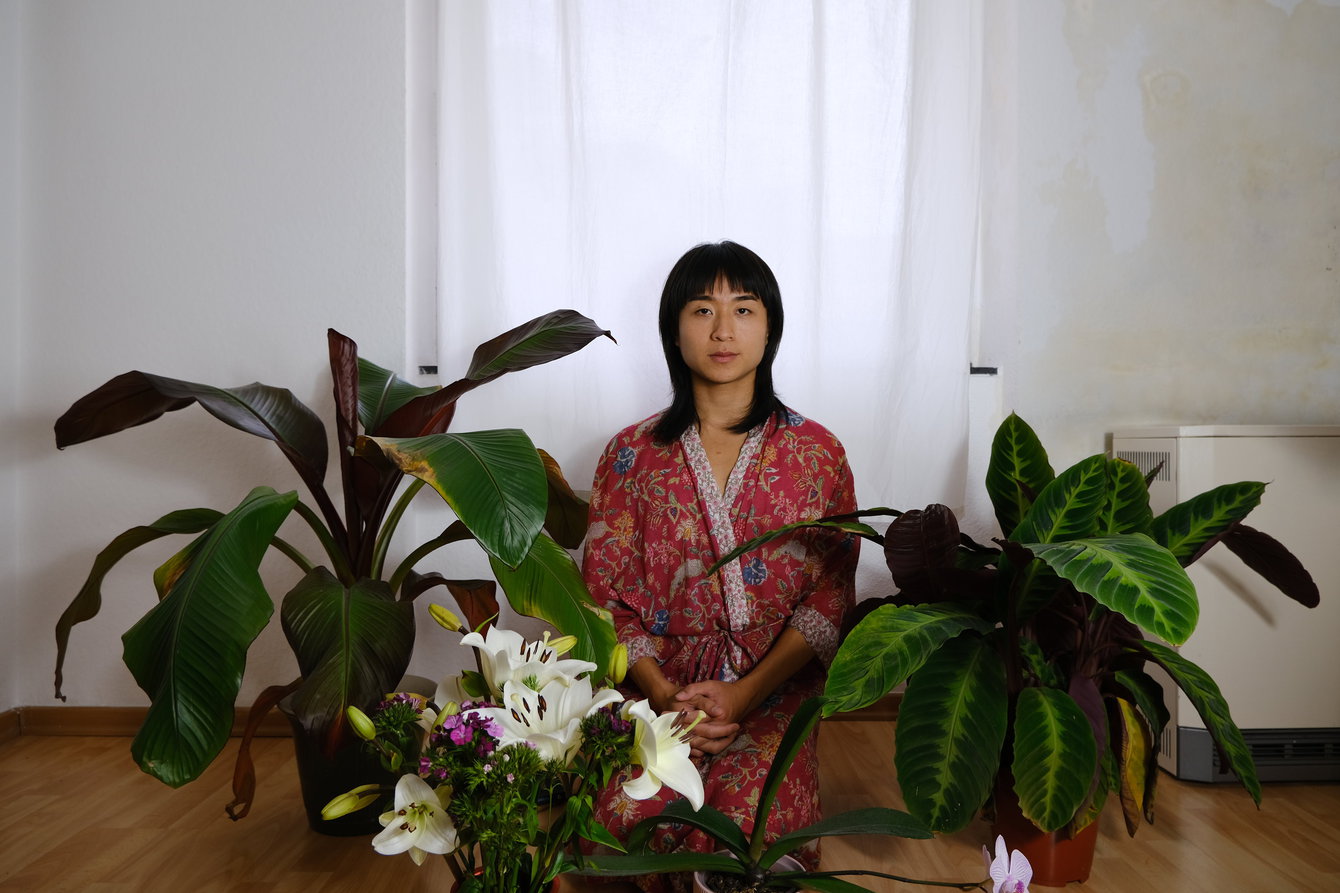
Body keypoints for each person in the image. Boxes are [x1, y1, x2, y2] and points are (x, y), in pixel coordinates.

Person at [582, 241, 859, 888]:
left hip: (769, 692)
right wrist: (663, 696)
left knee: (747, 839)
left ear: (772, 327)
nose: (724, 329)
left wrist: (743, 692)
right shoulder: (629, 456)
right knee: (626, 823)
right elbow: (603, 598)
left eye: (745, 308)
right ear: (675, 332)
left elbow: (830, 595)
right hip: (655, 690)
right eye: (703, 309)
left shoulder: (818, 453)